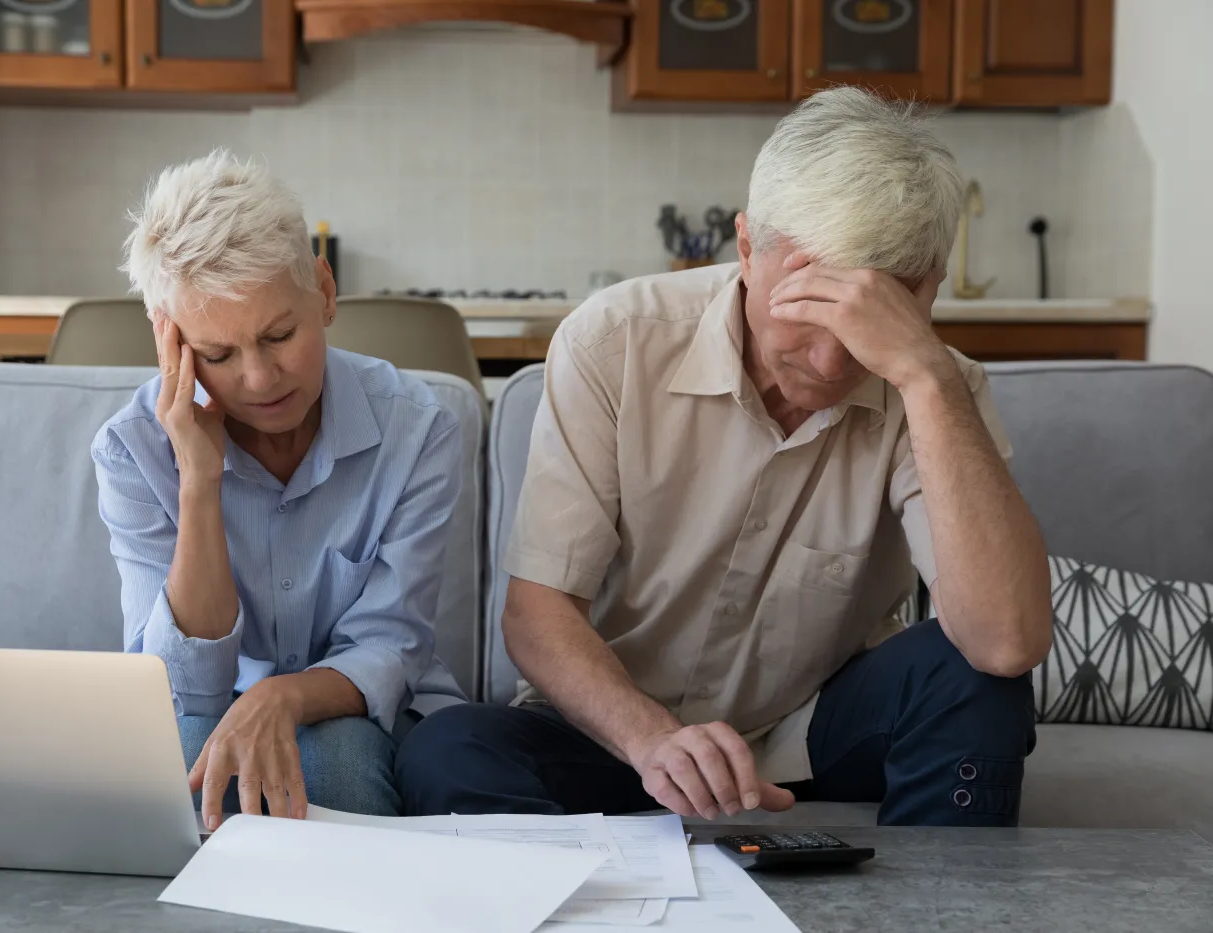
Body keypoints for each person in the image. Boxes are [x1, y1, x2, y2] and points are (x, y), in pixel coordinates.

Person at [396, 88, 1051, 826]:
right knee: (444, 751)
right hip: (614, 737)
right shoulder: (615, 342)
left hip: (812, 728)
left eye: (872, 312)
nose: (833, 358)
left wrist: (924, 375)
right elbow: (537, 614)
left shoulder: (935, 386)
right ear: (745, 248)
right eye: (805, 301)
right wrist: (654, 741)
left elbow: (1006, 640)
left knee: (974, 680)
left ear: (927, 291)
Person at [92, 150, 466, 828]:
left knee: (338, 760)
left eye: (278, 335)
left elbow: (390, 643)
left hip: (368, 709)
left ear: (323, 291)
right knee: (178, 762)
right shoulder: (133, 451)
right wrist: (199, 480)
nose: (260, 379)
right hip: (212, 706)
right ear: (169, 342)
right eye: (218, 354)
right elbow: (186, 689)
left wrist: (281, 698)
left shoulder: (418, 427)